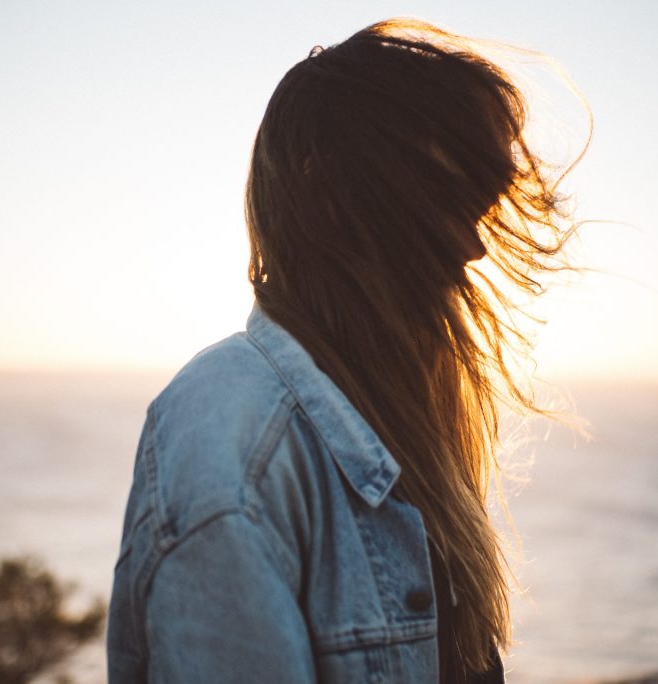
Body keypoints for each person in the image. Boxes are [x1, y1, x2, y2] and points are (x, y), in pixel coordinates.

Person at [107, 17, 583, 683]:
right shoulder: (236, 446)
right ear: (333, 195)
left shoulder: (394, 414)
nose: (474, 249)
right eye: (449, 202)